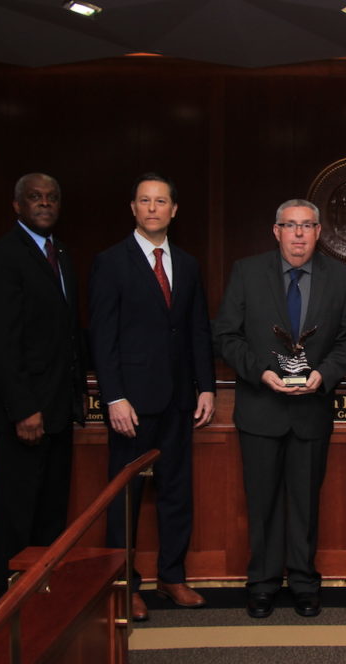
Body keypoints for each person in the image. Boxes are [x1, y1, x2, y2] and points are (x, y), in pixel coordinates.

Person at [214, 199, 346, 619]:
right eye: (290, 226)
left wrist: (324, 375)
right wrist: (260, 372)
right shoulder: (247, 272)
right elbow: (225, 334)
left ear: (318, 231)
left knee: (306, 504)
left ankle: (303, 583)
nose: (298, 234)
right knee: (261, 504)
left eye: (307, 226)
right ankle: (261, 584)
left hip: (312, 410)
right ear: (275, 231)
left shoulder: (341, 279)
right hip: (261, 407)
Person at [89, 172, 216, 622]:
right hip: (133, 407)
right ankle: (127, 585)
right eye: (144, 201)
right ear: (133, 208)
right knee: (124, 500)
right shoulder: (110, 262)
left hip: (180, 401)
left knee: (177, 493)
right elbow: (102, 338)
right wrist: (115, 397)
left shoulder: (187, 263)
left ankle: (172, 576)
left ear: (173, 210)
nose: (152, 208)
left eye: (161, 201)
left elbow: (198, 328)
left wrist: (206, 386)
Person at [0, 172, 86, 597]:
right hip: (22, 417)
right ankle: (10, 607)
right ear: (17, 205)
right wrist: (24, 409)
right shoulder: (3, 256)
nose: (45, 203)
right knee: (17, 516)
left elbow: (64, 335)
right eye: (34, 197)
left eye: (52, 197)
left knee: (50, 515)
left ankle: (42, 598)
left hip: (57, 412)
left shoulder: (60, 253)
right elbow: (0, 343)